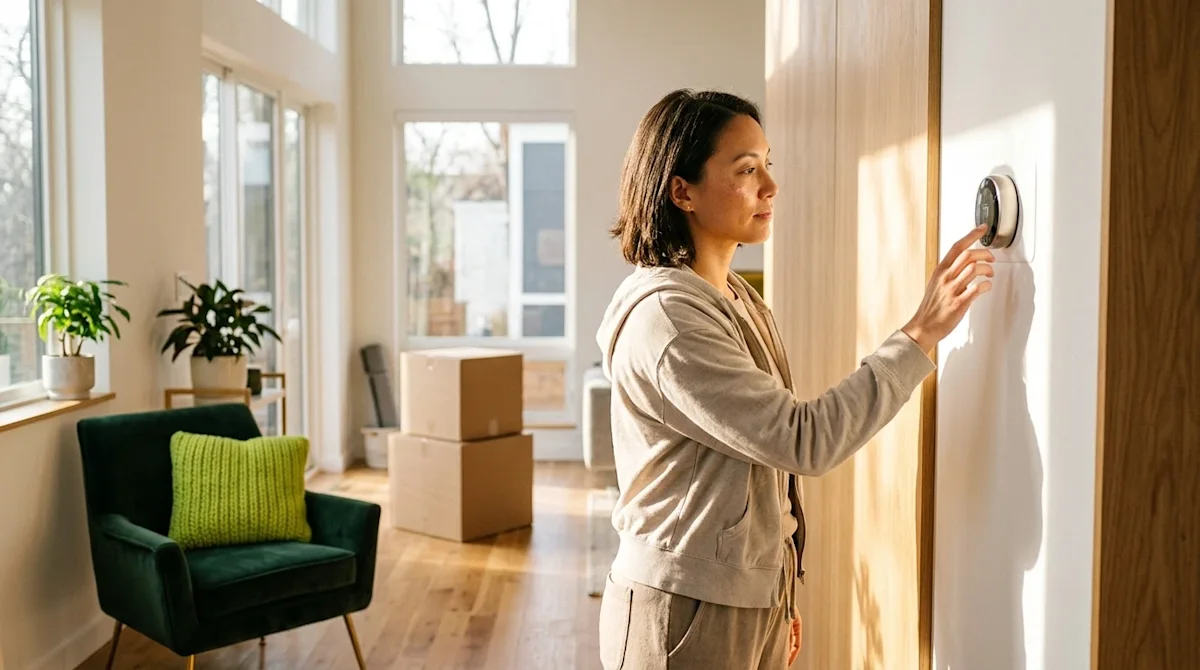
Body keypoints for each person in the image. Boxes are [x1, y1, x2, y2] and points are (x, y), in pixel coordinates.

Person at [595, 88, 994, 669]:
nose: (771, 186)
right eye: (746, 170)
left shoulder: (735, 297)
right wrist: (920, 334)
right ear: (682, 192)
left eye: (767, 164)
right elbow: (801, 439)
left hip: (739, 600)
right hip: (684, 609)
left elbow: (757, 468)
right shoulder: (670, 321)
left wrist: (774, 594)